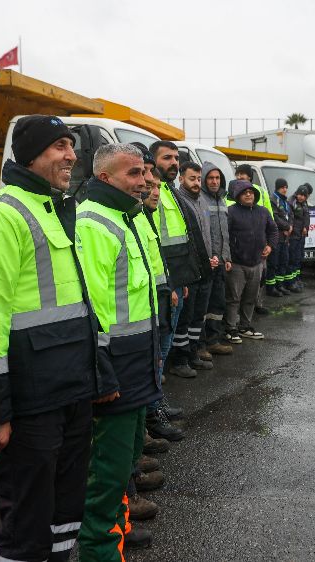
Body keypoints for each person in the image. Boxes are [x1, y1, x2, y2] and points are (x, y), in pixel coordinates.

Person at [0, 114, 107, 562]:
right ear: (29, 155)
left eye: (71, 145)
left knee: (66, 511)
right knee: (26, 520)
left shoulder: (57, 208)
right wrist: (0, 409)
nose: (71, 155)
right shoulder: (1, 217)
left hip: (70, 390)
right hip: (32, 401)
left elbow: (79, 306)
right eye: (59, 147)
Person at [75, 143, 163, 555]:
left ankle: (118, 531)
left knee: (124, 463)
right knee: (106, 473)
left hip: (136, 364)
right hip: (116, 372)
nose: (144, 181)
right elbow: (93, 309)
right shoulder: (94, 223)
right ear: (105, 177)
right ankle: (100, 549)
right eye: (133, 174)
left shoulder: (123, 216)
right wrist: (103, 372)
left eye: (144, 173)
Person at [130, 144, 185, 443]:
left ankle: (153, 412)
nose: (152, 189)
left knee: (159, 359)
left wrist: (174, 283)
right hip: (146, 305)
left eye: (153, 182)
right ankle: (150, 420)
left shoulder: (144, 213)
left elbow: (160, 254)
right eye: (146, 181)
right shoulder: (134, 214)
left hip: (163, 295)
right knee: (153, 363)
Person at [151, 141, 209, 382]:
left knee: (169, 333)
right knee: (162, 336)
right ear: (152, 161)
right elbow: (154, 240)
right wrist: (170, 280)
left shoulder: (169, 190)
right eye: (167, 158)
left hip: (177, 276)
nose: (174, 162)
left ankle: (157, 397)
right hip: (164, 279)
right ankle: (155, 402)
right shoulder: (153, 192)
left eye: (176, 157)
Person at [173, 161, 215, 372]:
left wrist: (212, 257)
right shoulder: (178, 202)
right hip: (189, 272)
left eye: (199, 179)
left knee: (198, 316)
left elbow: (207, 236)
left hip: (206, 269)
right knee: (185, 318)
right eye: (192, 178)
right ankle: (180, 361)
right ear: (181, 179)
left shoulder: (204, 202)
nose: (197, 182)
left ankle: (193, 353)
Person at [225, 180, 278, 340]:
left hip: (257, 263)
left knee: (250, 297)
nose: (249, 194)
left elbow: (273, 230)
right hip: (236, 263)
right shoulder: (230, 212)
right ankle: (230, 328)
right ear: (238, 195)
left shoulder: (263, 212)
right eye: (245, 192)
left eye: (251, 192)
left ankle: (245, 327)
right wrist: (227, 257)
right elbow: (224, 235)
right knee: (233, 298)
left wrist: (270, 246)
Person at [199, 161, 235, 354]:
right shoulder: (200, 199)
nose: (214, 181)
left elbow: (224, 233)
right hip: (207, 264)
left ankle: (213, 340)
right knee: (202, 307)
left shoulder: (222, 200)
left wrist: (226, 256)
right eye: (210, 178)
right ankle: (200, 344)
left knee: (217, 303)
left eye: (217, 178)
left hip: (221, 262)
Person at [233, 164, 273, 316]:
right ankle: (235, 317)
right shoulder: (231, 190)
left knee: (258, 279)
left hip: (258, 244)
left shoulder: (260, 192)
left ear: (249, 176)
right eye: (237, 173)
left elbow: (270, 218)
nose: (239, 176)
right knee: (236, 288)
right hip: (239, 247)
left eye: (242, 174)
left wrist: (269, 242)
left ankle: (257, 304)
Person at [267, 178, 294, 296]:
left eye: (286, 187)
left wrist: (290, 226)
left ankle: (280, 285)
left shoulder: (285, 202)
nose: (285, 189)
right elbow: (274, 217)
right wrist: (286, 227)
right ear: (278, 187)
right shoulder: (273, 200)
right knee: (273, 263)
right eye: (283, 187)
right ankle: (271, 288)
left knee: (284, 261)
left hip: (285, 238)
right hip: (276, 237)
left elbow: (291, 215)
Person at [287, 184, 312, 289]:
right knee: (291, 259)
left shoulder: (304, 204)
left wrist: (306, 227)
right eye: (300, 195)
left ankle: (296, 279)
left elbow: (306, 217)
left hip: (301, 236)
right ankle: (290, 282)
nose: (301, 197)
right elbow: (290, 218)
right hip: (293, 236)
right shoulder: (291, 202)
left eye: (304, 195)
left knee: (298, 258)